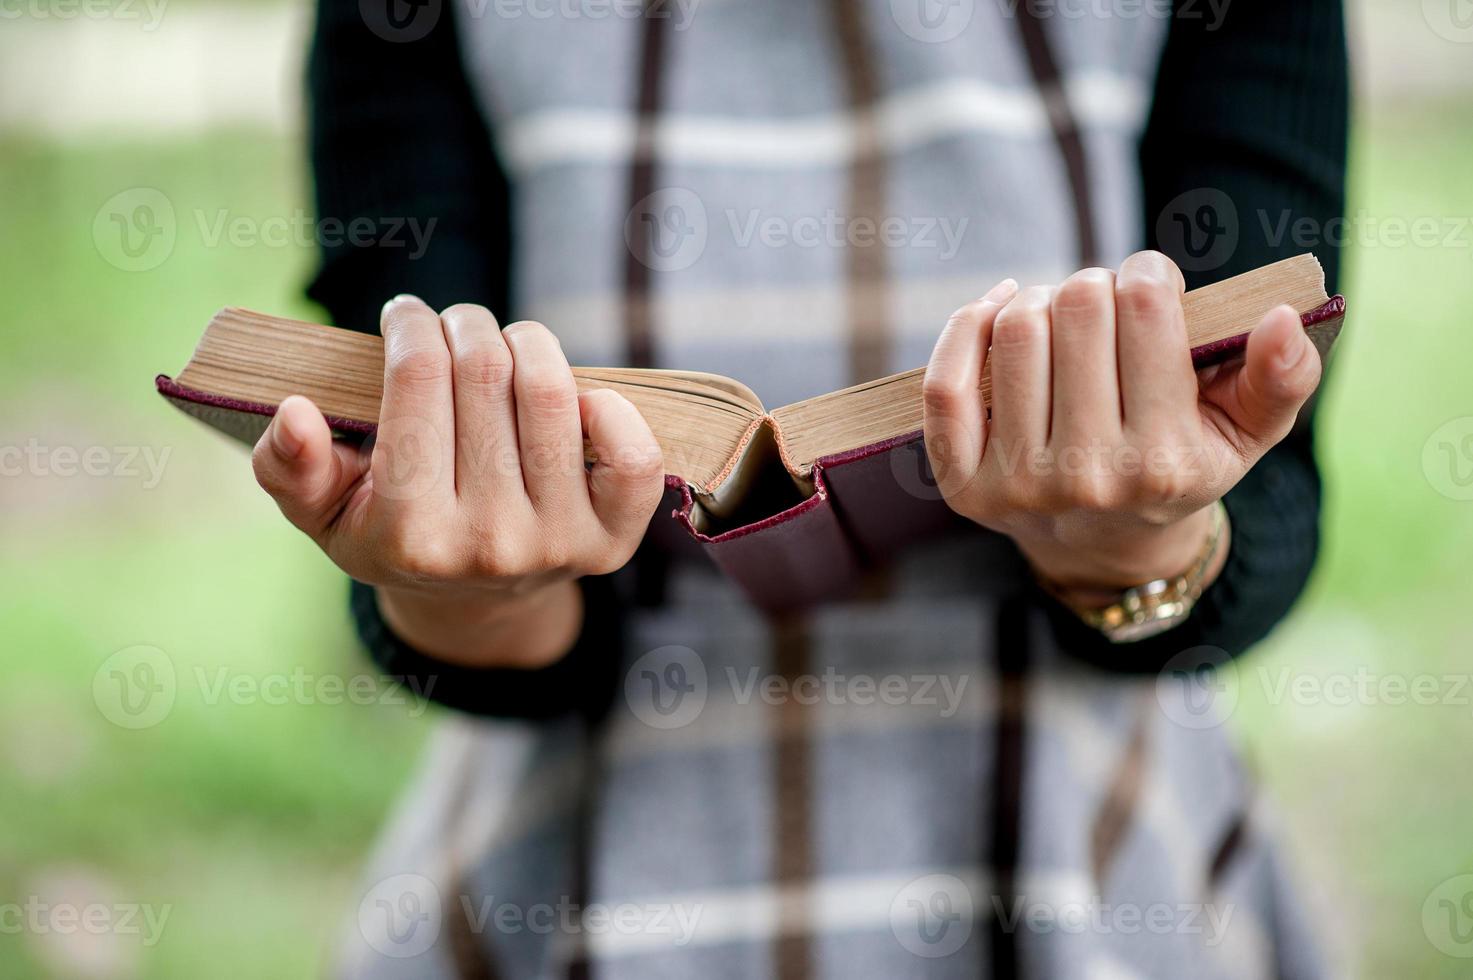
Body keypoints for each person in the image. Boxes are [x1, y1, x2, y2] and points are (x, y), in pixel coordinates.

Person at [250, 0, 1347, 974]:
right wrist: (471, 582)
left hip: (1092, 871)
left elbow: (1269, 499)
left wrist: (1131, 552)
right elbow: (422, 479)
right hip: (569, 876)